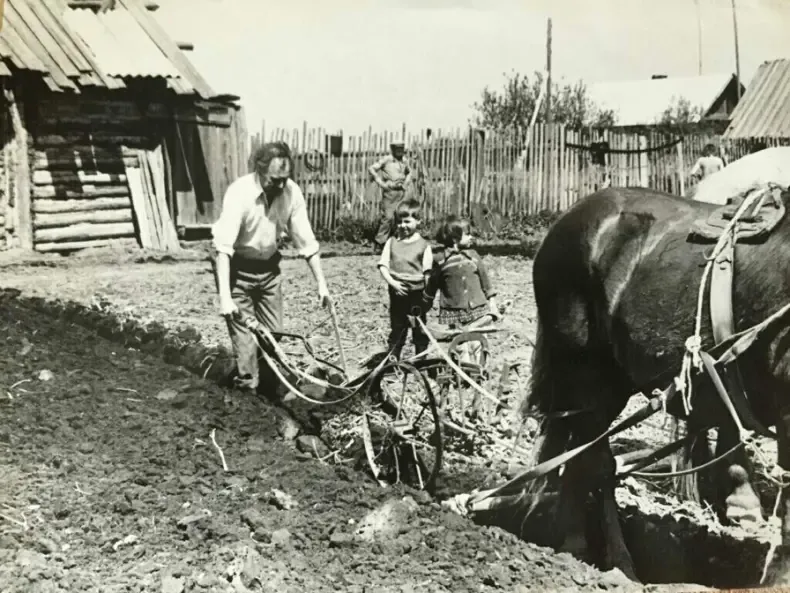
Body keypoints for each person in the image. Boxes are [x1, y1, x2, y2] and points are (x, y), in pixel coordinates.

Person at [211, 141, 332, 396]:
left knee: (272, 335)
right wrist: (225, 298)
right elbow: (222, 249)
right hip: (238, 272)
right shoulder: (239, 193)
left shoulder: (291, 192)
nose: (280, 186)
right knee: (245, 345)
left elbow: (306, 241)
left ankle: (267, 391)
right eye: (274, 180)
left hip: (269, 270)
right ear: (259, 170)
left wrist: (321, 284)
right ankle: (246, 395)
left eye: (284, 179)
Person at [423, 215, 499, 361]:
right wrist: (424, 302)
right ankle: (464, 373)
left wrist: (492, 303)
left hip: (479, 309)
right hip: (455, 311)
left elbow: (485, 281)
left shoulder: (474, 256)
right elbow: (432, 284)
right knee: (460, 344)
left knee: (478, 341)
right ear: (455, 239)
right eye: (468, 234)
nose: (472, 237)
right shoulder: (441, 262)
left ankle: (480, 372)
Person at [377, 198, 433, 360]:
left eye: (407, 221)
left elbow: (427, 273)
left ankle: (420, 359)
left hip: (417, 294)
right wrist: (393, 283)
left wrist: (427, 297)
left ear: (418, 221)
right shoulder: (392, 242)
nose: (403, 226)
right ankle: (393, 359)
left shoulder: (424, 246)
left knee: (419, 328)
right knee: (397, 327)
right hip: (397, 293)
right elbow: (383, 265)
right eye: (399, 222)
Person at [369, 141, 412, 252]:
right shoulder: (387, 159)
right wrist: (381, 183)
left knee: (401, 217)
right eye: (397, 149)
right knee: (388, 218)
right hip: (390, 192)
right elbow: (372, 169)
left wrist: (406, 183)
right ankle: (379, 242)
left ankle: (399, 242)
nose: (400, 151)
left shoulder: (404, 160)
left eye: (401, 149)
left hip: (401, 192)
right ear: (392, 149)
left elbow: (409, 172)